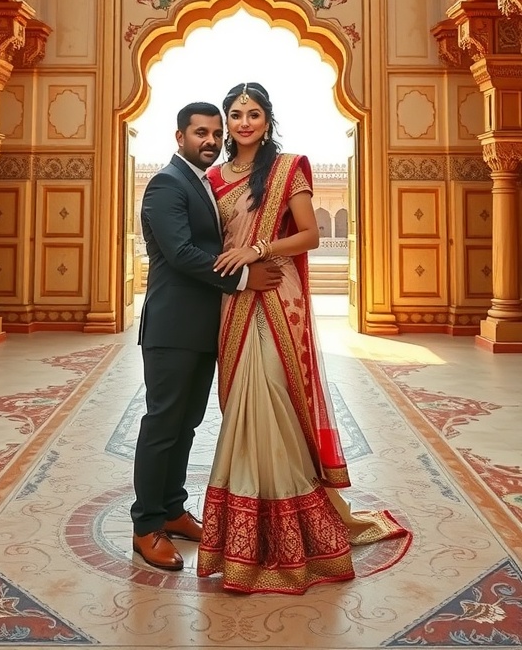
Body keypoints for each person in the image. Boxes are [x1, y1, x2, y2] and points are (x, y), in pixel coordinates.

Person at [197, 83, 411, 595]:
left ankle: (295, 521)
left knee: (273, 392)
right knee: (242, 400)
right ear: (226, 123)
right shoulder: (213, 178)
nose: (244, 122)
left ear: (267, 120)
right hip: (235, 298)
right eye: (235, 115)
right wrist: (237, 265)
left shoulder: (287, 168)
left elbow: (310, 235)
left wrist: (258, 249)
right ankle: (247, 526)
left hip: (278, 290)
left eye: (253, 113)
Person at [131, 101, 283, 572]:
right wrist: (244, 279)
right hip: (172, 327)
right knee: (162, 425)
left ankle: (173, 510)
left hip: (202, 328)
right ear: (180, 137)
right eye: (201, 133)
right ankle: (145, 526)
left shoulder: (202, 183)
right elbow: (180, 253)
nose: (212, 141)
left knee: (186, 424)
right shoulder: (167, 183)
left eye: (217, 133)